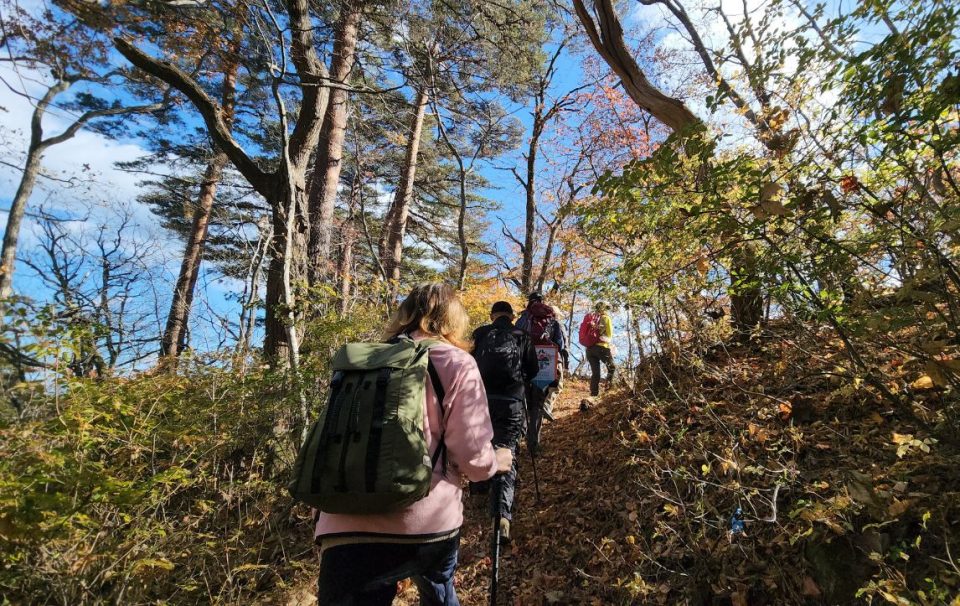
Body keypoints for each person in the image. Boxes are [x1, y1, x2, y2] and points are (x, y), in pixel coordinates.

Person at [315, 283, 513, 606]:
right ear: (453, 320)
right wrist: (497, 460)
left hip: (343, 524)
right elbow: (474, 462)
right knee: (438, 588)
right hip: (426, 524)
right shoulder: (457, 363)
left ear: (404, 315)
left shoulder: (360, 362)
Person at [470, 301, 539, 544]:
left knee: (481, 444)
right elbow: (533, 370)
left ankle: (478, 488)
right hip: (512, 401)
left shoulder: (480, 334)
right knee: (505, 451)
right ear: (511, 316)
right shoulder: (522, 335)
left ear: (492, 316)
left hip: (481, 401)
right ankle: (501, 518)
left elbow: (469, 366)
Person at [515, 292, 568, 454]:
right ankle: (534, 445)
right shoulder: (552, 319)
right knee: (537, 406)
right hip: (545, 364)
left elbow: (515, 339)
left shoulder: (524, 318)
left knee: (523, 402)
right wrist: (563, 364)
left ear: (529, 302)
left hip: (524, 364)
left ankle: (516, 443)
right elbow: (561, 344)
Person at [582, 300, 616, 410]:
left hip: (589, 349)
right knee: (612, 367)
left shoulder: (591, 318)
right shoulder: (606, 318)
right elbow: (609, 335)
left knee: (595, 373)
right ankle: (608, 388)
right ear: (604, 308)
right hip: (601, 347)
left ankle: (593, 394)